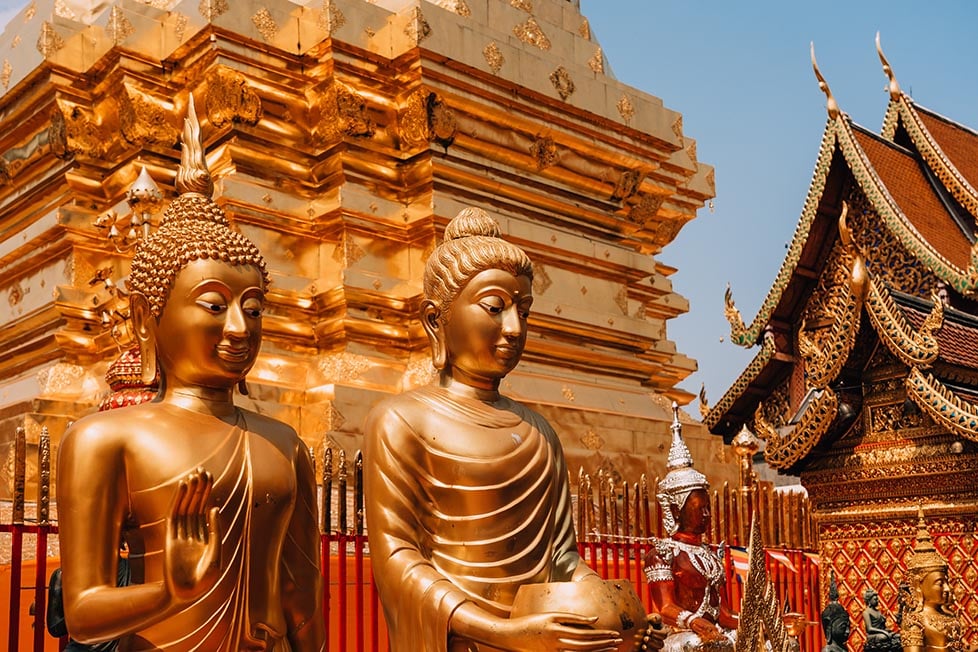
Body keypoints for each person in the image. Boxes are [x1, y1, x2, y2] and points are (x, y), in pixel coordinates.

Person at [56, 97, 324, 651]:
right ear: (146, 318)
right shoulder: (105, 438)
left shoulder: (286, 446)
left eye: (252, 309)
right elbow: (82, 612)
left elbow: (300, 595)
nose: (238, 328)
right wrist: (168, 593)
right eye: (213, 304)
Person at [363, 207, 663, 652]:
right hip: (463, 641)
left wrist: (614, 612)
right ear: (434, 319)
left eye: (523, 310)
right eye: (494, 307)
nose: (514, 328)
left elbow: (561, 562)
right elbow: (399, 563)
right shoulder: (403, 420)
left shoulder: (538, 433)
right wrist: (503, 633)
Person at [642, 406, 738, 652]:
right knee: (704, 646)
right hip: (682, 635)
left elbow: (724, 614)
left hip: (716, 632)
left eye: (708, 508)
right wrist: (694, 621)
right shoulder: (662, 554)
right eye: (698, 508)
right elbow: (665, 609)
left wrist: (762, 621)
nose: (707, 515)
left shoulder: (710, 556)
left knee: (774, 642)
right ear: (676, 510)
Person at [901, 512, 965, 652]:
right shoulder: (915, 620)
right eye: (940, 583)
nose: (947, 588)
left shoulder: (949, 616)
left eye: (946, 582)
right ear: (919, 586)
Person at [862, 587, 901, 652]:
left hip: (882, 632)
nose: (877, 601)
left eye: (877, 599)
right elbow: (869, 628)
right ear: (869, 600)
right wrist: (884, 632)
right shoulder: (866, 612)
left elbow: (883, 627)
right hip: (873, 635)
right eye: (875, 599)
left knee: (898, 636)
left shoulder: (878, 612)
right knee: (883, 637)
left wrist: (887, 630)